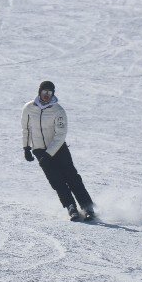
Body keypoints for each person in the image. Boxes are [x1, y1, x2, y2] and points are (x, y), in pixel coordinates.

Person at [22, 80, 95, 222]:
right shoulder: (29, 108)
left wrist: (50, 154)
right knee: (56, 181)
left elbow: (60, 134)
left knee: (72, 177)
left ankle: (87, 207)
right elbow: (26, 129)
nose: (46, 95)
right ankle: (71, 207)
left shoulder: (58, 111)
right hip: (40, 150)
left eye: (50, 93)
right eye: (44, 92)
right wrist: (26, 148)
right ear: (39, 92)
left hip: (58, 149)